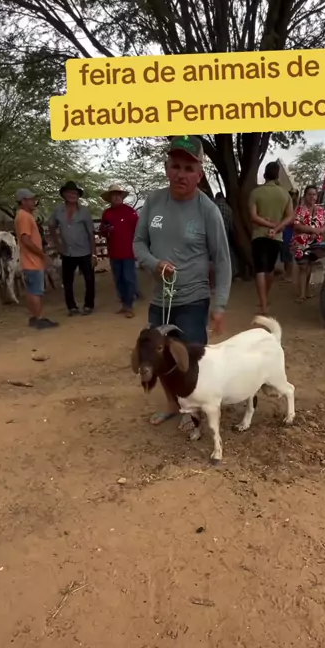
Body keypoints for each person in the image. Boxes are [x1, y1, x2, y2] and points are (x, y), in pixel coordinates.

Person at [135, 134, 232, 428]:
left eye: (189, 169)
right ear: (167, 168)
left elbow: (222, 260)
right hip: (160, 299)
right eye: (176, 166)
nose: (181, 174)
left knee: (190, 358)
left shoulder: (208, 210)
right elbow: (138, 243)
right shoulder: (153, 202)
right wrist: (154, 263)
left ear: (199, 174)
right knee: (160, 357)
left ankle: (193, 411)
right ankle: (171, 404)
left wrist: (220, 305)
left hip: (193, 298)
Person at [249, 161, 292, 314]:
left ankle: (263, 304)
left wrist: (267, 224)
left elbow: (253, 216)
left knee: (260, 270)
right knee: (270, 269)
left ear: (265, 174)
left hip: (259, 235)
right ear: (277, 175)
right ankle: (265, 298)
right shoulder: (285, 194)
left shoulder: (256, 193)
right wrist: (276, 228)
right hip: (276, 237)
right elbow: (290, 217)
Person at [275, 185, 325, 302]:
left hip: (315, 243)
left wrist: (320, 231)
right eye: (309, 194)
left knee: (309, 266)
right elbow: (296, 226)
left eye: (314, 194)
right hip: (301, 243)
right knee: (303, 266)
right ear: (305, 196)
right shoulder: (300, 210)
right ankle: (302, 294)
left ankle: (306, 290)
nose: (312, 197)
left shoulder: (321, 210)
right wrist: (313, 230)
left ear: (317, 196)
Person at [48, 181, 96, 316]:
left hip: (85, 251)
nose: (72, 195)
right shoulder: (58, 210)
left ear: (78, 195)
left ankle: (88, 305)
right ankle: (71, 307)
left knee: (89, 280)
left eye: (74, 193)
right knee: (67, 281)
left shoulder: (84, 212)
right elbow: (51, 225)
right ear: (64, 194)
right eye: (69, 193)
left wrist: (94, 254)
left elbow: (91, 233)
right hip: (67, 252)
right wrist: (57, 243)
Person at [14, 189, 58, 330]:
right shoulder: (24, 217)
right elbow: (26, 240)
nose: (34, 201)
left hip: (28, 260)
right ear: (23, 201)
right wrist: (42, 255)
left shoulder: (23, 216)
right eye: (31, 199)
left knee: (31, 290)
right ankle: (40, 318)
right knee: (36, 291)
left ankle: (34, 316)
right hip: (32, 261)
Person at [99, 184, 139, 318]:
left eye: (118, 195)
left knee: (129, 278)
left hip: (128, 252)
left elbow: (138, 231)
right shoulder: (107, 213)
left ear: (122, 197)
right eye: (113, 195)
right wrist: (106, 230)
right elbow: (102, 231)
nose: (116, 197)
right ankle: (124, 303)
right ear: (110, 198)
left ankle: (129, 305)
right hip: (114, 252)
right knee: (118, 279)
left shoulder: (130, 212)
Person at [215, 191, 238, 280]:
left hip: (213, 233)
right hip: (225, 234)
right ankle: (231, 273)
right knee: (227, 254)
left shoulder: (212, 207)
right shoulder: (229, 209)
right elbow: (231, 225)